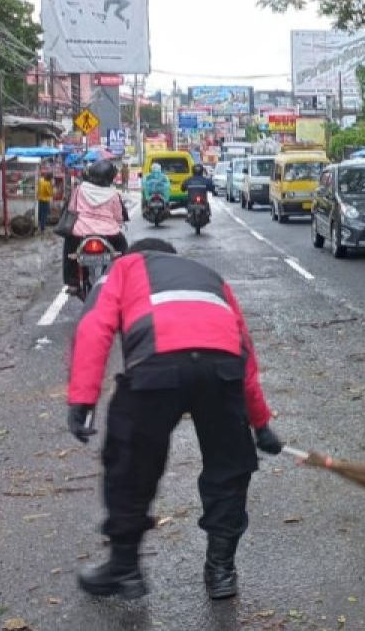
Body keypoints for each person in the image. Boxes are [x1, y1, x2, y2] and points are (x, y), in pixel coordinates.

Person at [65, 238, 283, 600]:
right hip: (222, 367)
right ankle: (221, 571)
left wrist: (82, 400)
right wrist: (260, 426)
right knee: (229, 469)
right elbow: (245, 356)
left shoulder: (123, 267)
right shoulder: (211, 278)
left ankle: (125, 568)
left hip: (156, 367)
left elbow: (93, 325)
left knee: (130, 464)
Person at [63, 160, 128, 293]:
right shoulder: (113, 194)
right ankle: (124, 280)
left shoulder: (79, 190)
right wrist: (119, 222)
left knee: (69, 252)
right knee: (123, 250)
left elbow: (71, 208)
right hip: (109, 233)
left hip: (80, 232)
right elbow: (118, 216)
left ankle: (73, 282)